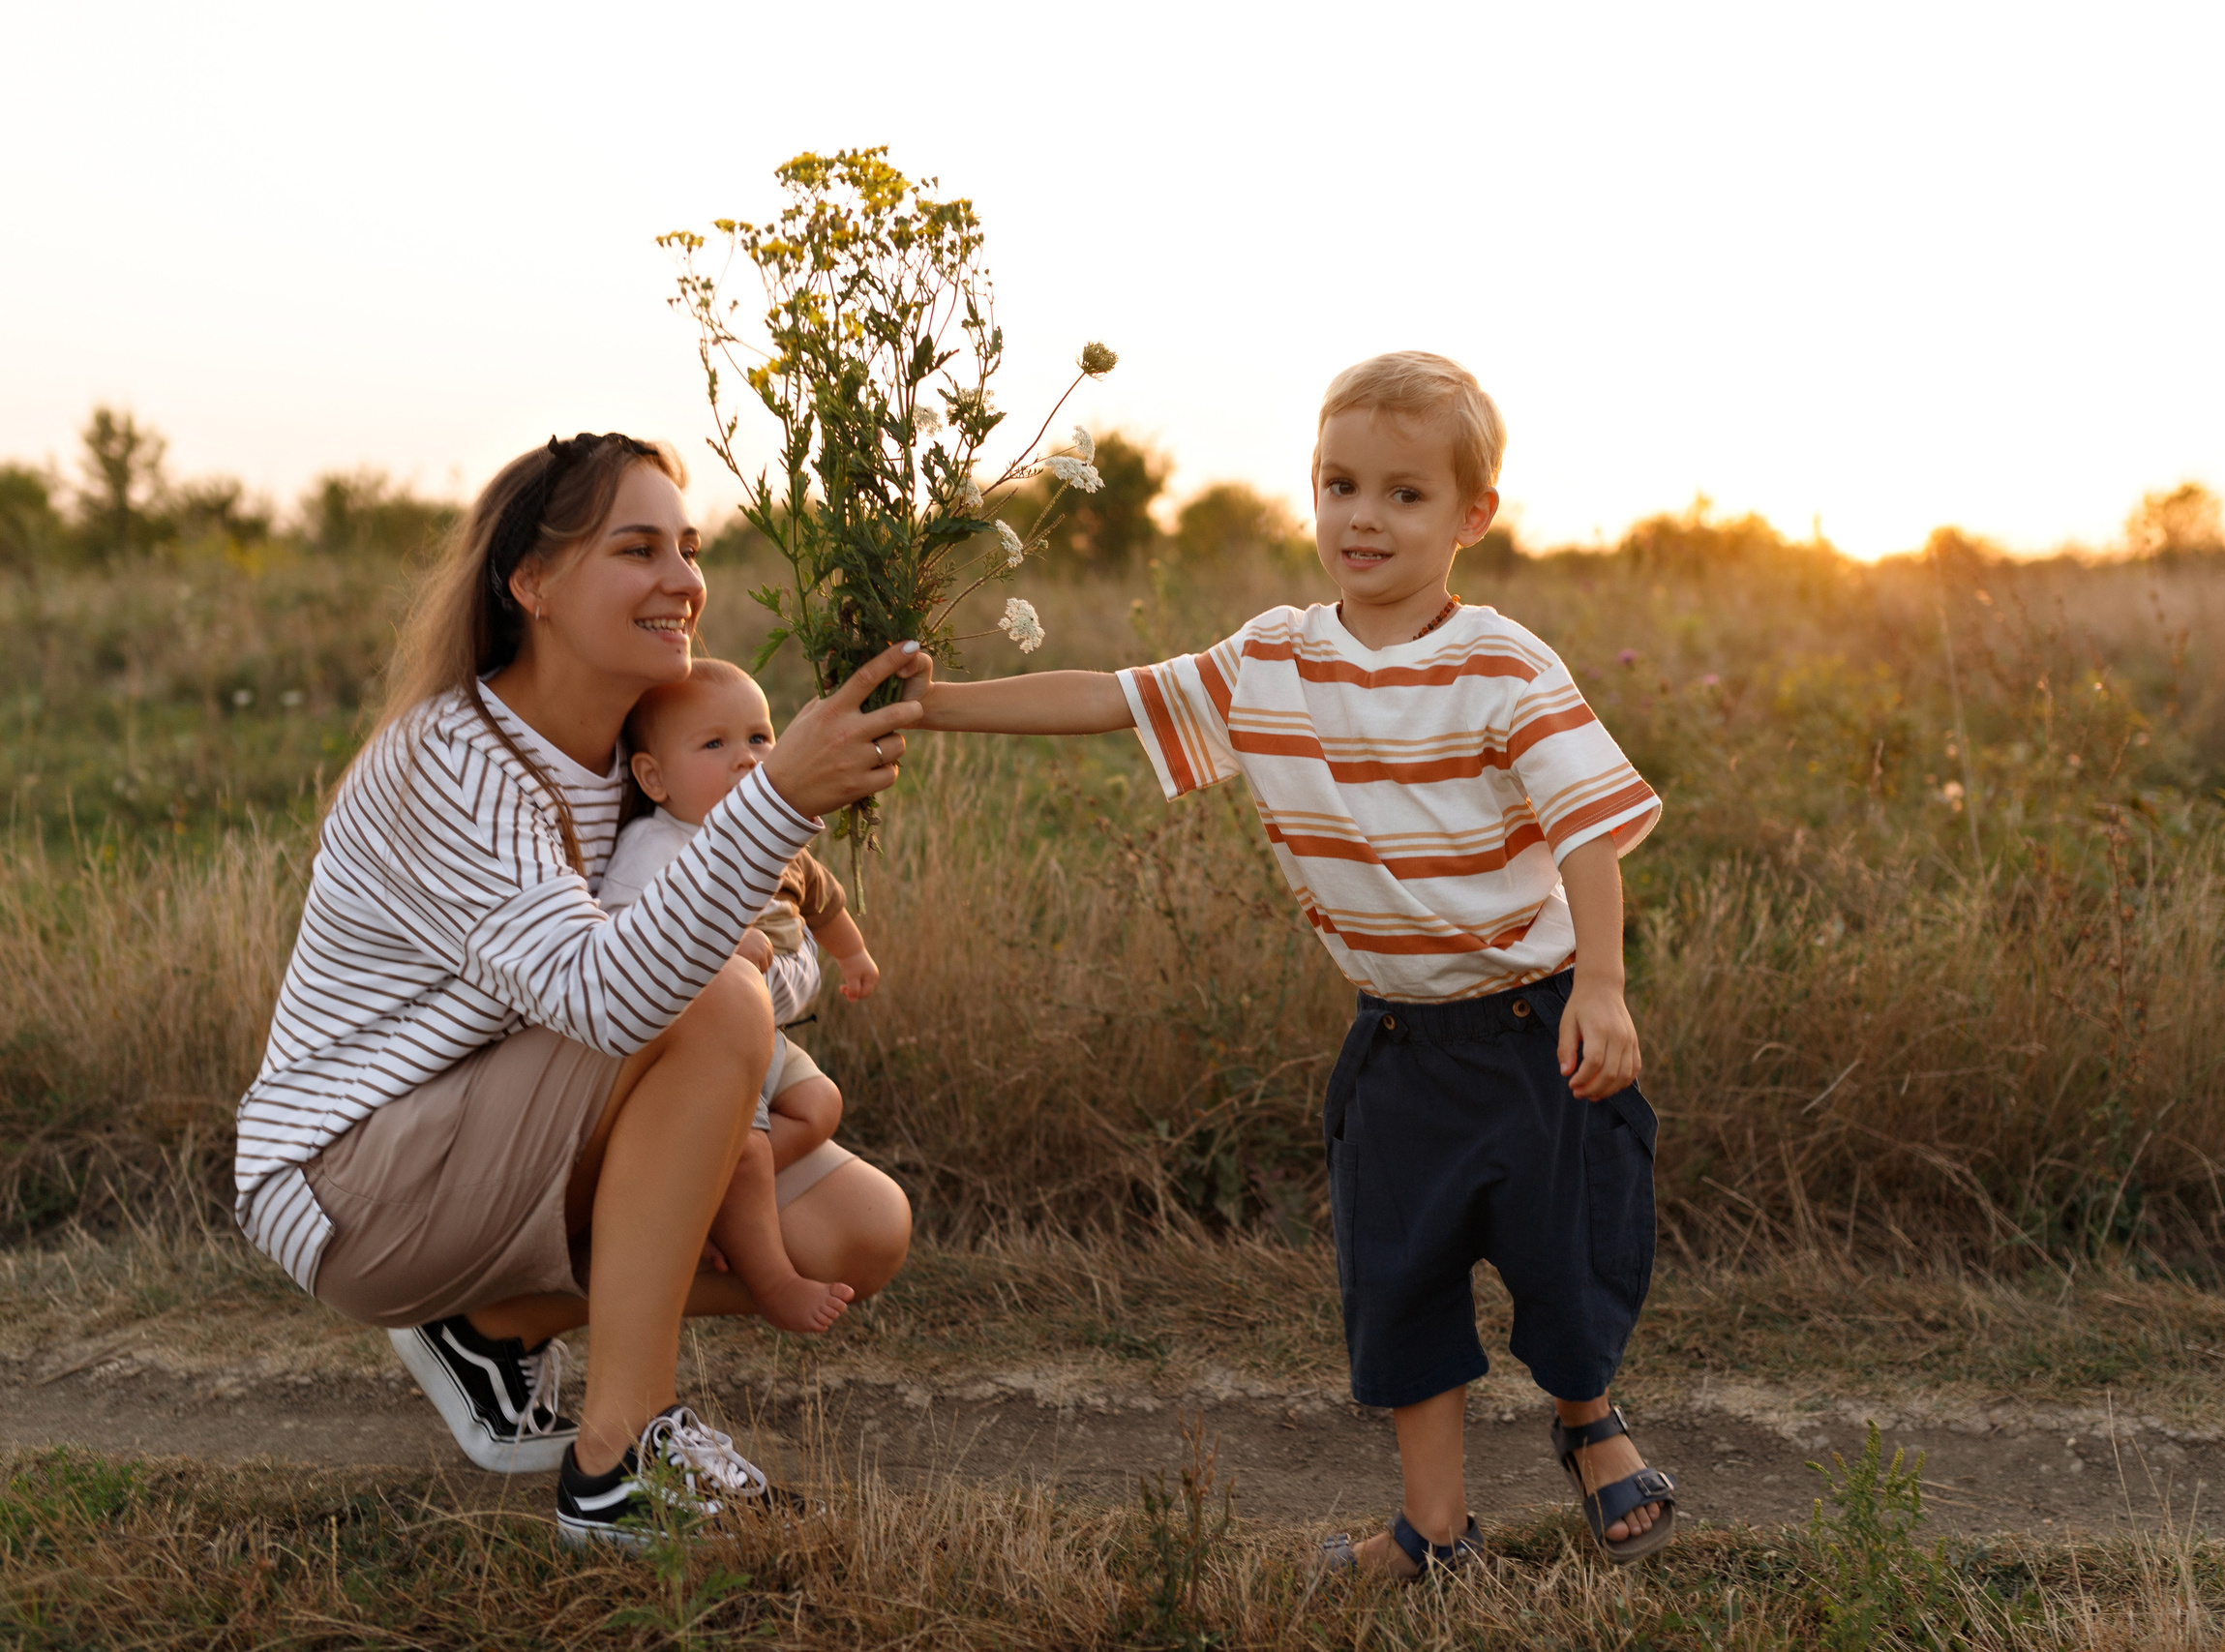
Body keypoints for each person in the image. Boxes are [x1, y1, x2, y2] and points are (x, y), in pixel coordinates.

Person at [906, 354, 1675, 1575]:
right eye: (1339, 484)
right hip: (1400, 1044)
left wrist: (1602, 986)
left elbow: (1585, 828)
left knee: (1564, 1266)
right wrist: (936, 705)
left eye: (1404, 495)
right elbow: (1115, 695)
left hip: (1538, 1031)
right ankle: (1433, 1531)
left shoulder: (1502, 665)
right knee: (1398, 1282)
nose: (1362, 516)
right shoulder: (1272, 661)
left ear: (1472, 517)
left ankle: (1588, 1424)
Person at [232, 433, 920, 1547]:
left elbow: (763, 963)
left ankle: (497, 1322)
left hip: (509, 1135)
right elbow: (616, 1000)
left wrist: (769, 910)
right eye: (637, 548)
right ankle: (618, 1462)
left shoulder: (634, 762)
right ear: (533, 584)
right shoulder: (451, 761)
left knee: (857, 1232)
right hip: (353, 1176)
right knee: (709, 1005)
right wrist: (777, 796)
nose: (684, 581)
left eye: (689, 549)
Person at [601, 658, 880, 1334]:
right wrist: (721, 951)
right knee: (750, 1148)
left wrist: (852, 951)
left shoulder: (777, 834)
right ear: (652, 777)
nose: (746, 760)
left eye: (760, 737)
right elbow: (623, 936)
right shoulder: (655, 845)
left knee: (820, 1103)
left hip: (769, 1034)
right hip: (705, 1039)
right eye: (714, 744)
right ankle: (773, 1276)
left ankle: (709, 1194)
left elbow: (821, 899)